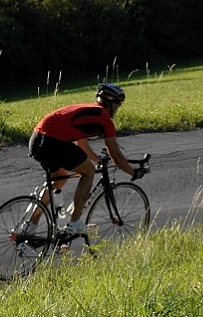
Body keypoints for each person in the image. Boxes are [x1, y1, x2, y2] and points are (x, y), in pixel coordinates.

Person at [27, 82, 138, 233]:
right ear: (111, 103)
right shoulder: (105, 119)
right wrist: (134, 172)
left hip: (36, 139)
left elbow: (82, 144)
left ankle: (30, 226)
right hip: (54, 141)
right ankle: (75, 223)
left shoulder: (90, 111)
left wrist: (99, 161)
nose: (118, 109)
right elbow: (117, 156)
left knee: (59, 179)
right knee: (88, 172)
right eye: (118, 105)